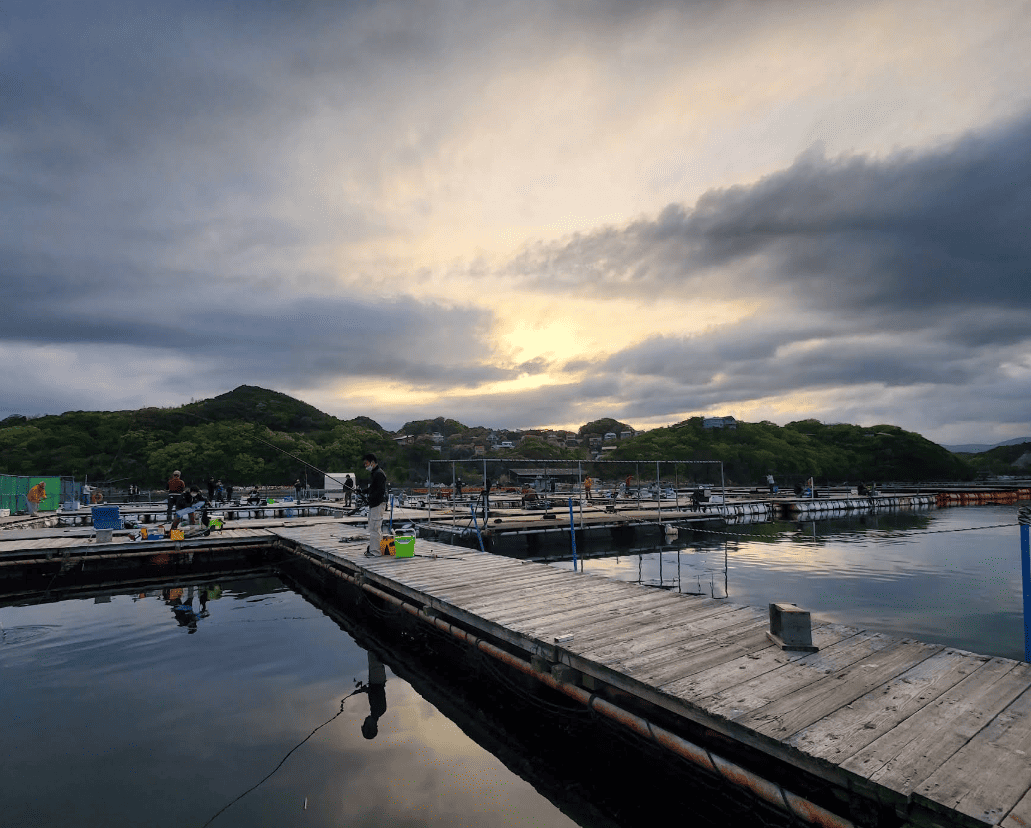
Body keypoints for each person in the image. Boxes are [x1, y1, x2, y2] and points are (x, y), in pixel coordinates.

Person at [362, 453, 388, 557]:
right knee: (373, 528)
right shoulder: (375, 473)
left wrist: (370, 497)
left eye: (366, 463)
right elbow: (373, 488)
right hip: (374, 504)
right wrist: (362, 491)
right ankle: (376, 549)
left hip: (377, 504)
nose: (365, 465)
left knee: (375, 528)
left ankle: (375, 552)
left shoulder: (379, 473)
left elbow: (380, 491)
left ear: (372, 462)